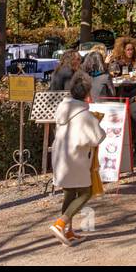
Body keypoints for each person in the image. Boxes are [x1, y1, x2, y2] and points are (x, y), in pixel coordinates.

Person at [49, 71, 105, 245]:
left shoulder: (62, 108)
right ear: (87, 94)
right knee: (85, 193)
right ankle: (61, 224)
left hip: (60, 156)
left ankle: (69, 231)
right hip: (76, 159)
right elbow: (97, 138)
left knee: (69, 193)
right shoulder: (85, 116)